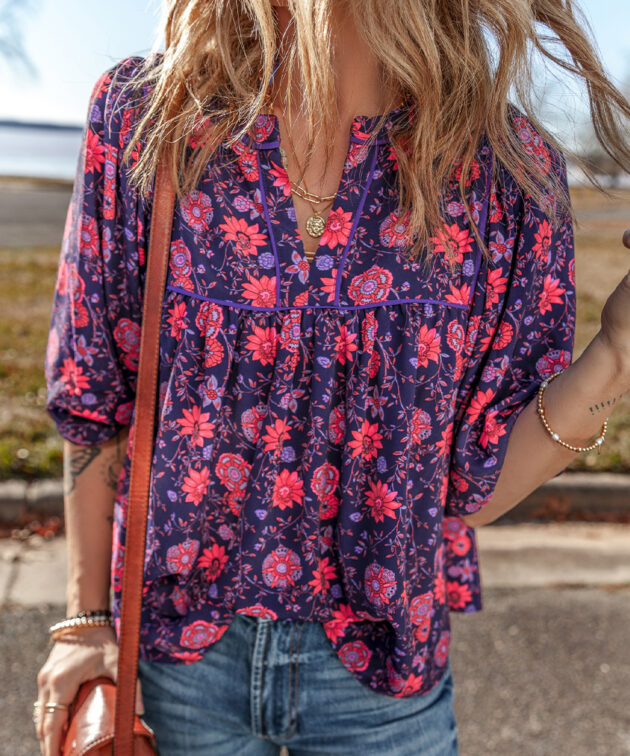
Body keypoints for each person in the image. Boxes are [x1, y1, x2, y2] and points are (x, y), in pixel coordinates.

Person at [36, 0, 630, 754]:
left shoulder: (502, 170)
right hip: (180, 662)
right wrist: (84, 621)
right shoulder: (149, 120)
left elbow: (474, 490)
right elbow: (94, 396)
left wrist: (616, 356)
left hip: (381, 686)